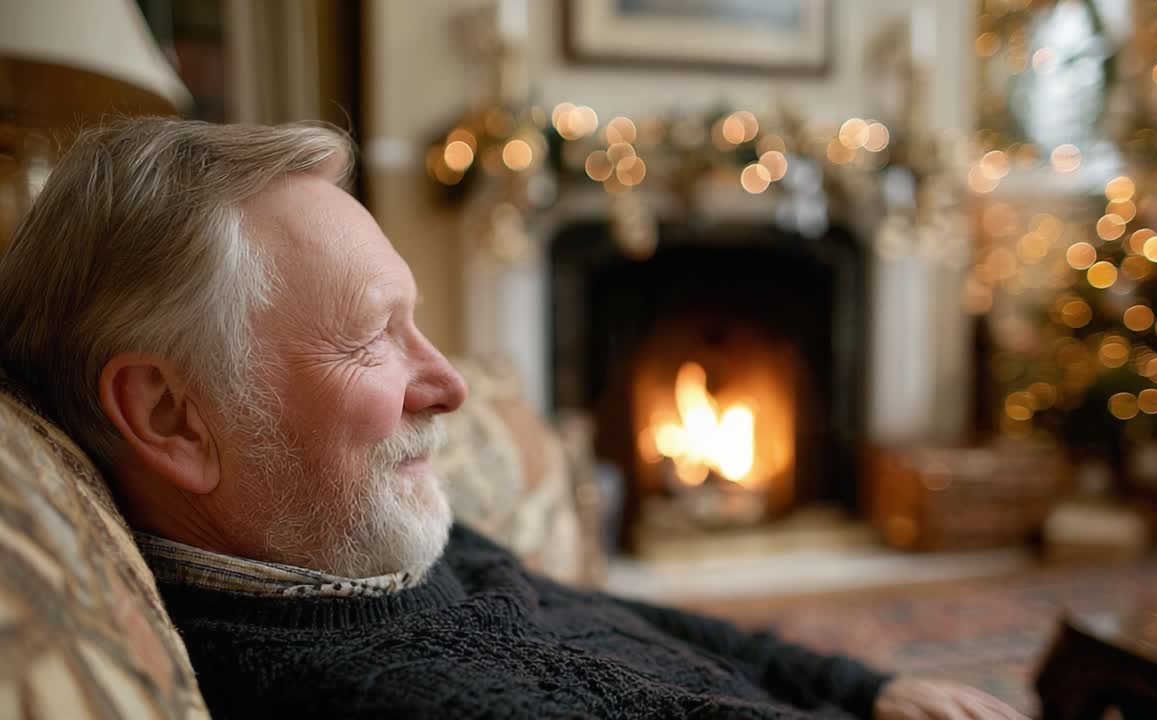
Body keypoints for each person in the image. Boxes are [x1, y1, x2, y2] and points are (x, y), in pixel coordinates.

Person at [0, 118, 1023, 719]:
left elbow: (612, 614)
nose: (449, 383)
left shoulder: (349, 545)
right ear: (172, 416)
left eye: (416, 322)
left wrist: (865, 687)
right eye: (371, 336)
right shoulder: (382, 688)